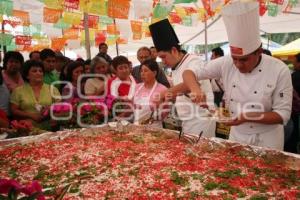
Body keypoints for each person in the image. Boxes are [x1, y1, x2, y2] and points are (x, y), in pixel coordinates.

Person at [179, 2, 292, 150]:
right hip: (237, 135)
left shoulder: (279, 69)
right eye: (235, 59)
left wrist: (246, 117)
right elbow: (189, 72)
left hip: (267, 138)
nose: (238, 65)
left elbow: (282, 115)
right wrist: (195, 89)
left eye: (244, 59)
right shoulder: (226, 62)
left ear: (259, 52)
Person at [149, 19, 216, 138]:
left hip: (201, 120)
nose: (163, 62)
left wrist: (165, 94)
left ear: (174, 51)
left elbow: (188, 84)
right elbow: (183, 93)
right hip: (187, 121)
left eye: (164, 57)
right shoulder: (176, 67)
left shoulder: (193, 61)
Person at [10, 60, 61, 131]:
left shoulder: (52, 89)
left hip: (50, 127)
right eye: (34, 71)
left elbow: (60, 106)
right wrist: (30, 115)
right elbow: (14, 110)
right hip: (27, 128)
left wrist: (50, 109)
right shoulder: (18, 91)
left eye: (40, 71)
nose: (38, 73)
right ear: (27, 75)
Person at [133, 59, 167, 127]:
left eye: (145, 71)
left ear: (154, 73)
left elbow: (165, 114)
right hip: (137, 127)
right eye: (141, 71)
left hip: (154, 128)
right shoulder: (136, 87)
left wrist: (157, 114)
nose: (142, 73)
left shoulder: (162, 89)